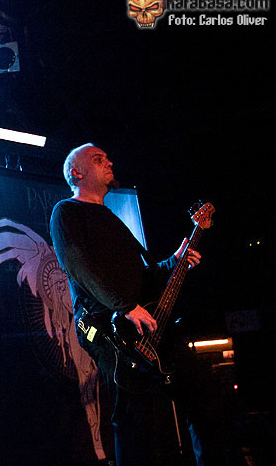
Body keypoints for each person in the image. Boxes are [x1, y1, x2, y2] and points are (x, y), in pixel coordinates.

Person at [49, 143, 241, 466]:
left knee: (204, 397)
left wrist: (173, 262)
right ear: (76, 173)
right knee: (135, 414)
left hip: (144, 321)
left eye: (108, 158)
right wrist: (125, 306)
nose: (110, 162)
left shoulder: (111, 218)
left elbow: (143, 277)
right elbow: (79, 265)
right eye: (99, 159)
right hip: (107, 326)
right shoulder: (66, 212)